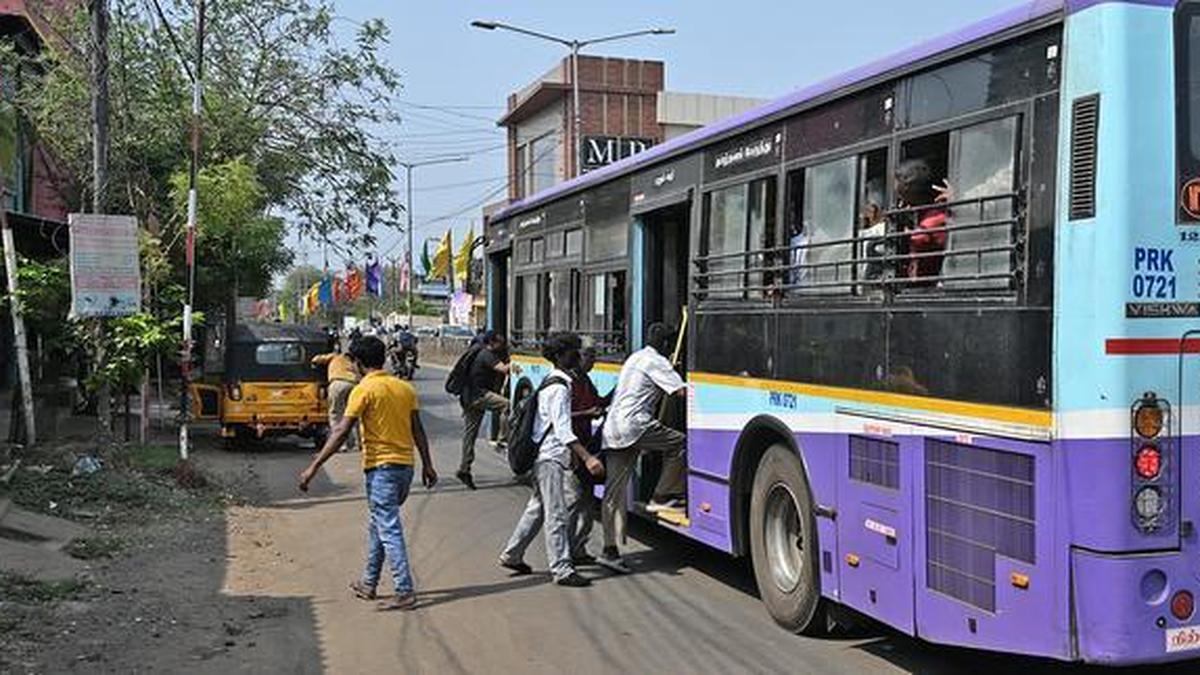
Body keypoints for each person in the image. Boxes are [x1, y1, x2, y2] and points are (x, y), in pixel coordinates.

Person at [297, 336, 437, 611]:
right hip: (406, 469)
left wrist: (313, 467)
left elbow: (340, 433)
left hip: (381, 469)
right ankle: (369, 582)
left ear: (358, 363)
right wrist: (428, 465)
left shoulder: (363, 390)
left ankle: (405, 590)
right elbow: (417, 430)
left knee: (388, 528)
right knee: (379, 525)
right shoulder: (404, 388)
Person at [498, 332, 605, 587]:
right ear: (560, 356)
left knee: (537, 509)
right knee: (556, 513)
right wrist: (587, 457)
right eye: (573, 351)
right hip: (550, 458)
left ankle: (512, 555)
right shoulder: (559, 387)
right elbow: (563, 429)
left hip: (547, 456)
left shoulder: (556, 381)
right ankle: (562, 569)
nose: (578, 356)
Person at [598, 323, 687, 574]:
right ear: (667, 345)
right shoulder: (658, 362)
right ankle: (662, 495)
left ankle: (609, 550)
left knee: (613, 493)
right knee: (680, 444)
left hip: (614, 426)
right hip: (636, 427)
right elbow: (680, 393)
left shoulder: (635, 357)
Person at [457, 332, 519, 490]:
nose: (502, 345)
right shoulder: (487, 354)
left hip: (469, 397)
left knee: (470, 434)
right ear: (492, 342)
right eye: (500, 342)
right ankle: (502, 438)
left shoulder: (479, 352)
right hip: (479, 395)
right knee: (508, 405)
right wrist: (516, 361)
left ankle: (464, 469)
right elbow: (504, 369)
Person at [568, 346, 611, 563]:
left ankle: (579, 549)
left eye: (595, 357)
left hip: (587, 447)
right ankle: (565, 553)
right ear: (579, 357)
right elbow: (561, 417)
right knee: (574, 501)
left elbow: (599, 401)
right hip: (573, 450)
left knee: (587, 502)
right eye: (589, 357)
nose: (593, 362)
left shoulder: (585, 380)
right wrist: (586, 413)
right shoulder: (568, 381)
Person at [894, 159, 952, 284]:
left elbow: (920, 238)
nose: (897, 193)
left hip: (929, 283)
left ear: (908, 186)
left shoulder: (936, 215)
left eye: (898, 184)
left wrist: (904, 232)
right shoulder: (917, 213)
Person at [311, 345, 361, 453]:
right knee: (354, 415)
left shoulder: (335, 356)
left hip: (337, 384)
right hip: (354, 385)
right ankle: (359, 444)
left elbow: (316, 359)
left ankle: (340, 444)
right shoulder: (353, 363)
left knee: (335, 415)